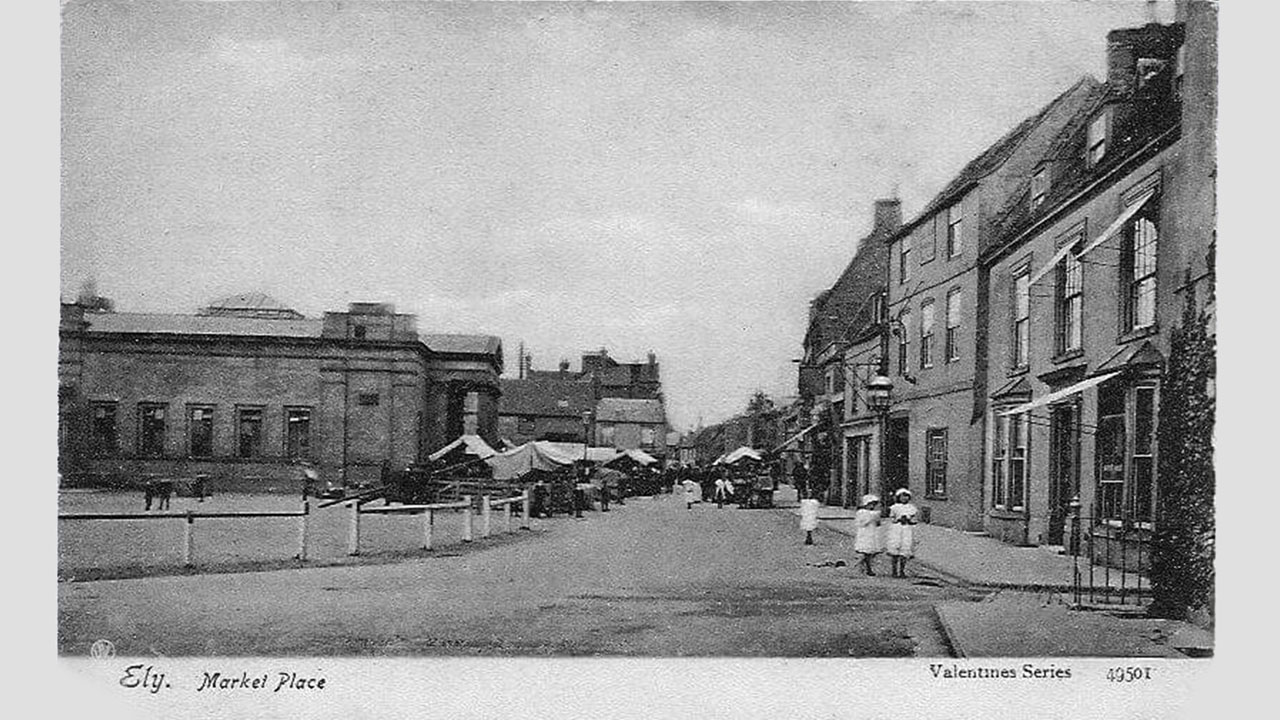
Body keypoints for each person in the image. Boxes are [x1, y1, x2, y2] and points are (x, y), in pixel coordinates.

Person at [885, 488, 919, 578]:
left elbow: (915, 520)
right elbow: (892, 519)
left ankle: (902, 570)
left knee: (905, 549)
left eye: (906, 497)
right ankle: (894, 571)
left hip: (907, 529)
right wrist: (898, 519)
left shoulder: (912, 508)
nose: (904, 498)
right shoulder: (895, 507)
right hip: (897, 529)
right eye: (902, 497)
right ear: (898, 497)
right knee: (895, 549)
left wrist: (909, 520)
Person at [853, 494, 883, 576]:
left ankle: (865, 566)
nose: (872, 506)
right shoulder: (861, 512)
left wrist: (877, 519)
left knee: (872, 552)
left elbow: (878, 524)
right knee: (865, 551)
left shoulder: (875, 513)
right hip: (864, 533)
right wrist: (870, 517)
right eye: (870, 504)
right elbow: (860, 523)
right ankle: (866, 568)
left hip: (872, 532)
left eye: (874, 504)